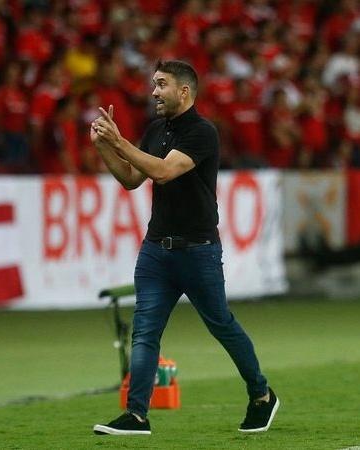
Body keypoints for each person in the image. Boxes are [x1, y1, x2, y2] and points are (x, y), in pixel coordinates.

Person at [90, 60, 280, 436]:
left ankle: (262, 395)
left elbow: (162, 171)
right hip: (157, 250)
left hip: (198, 251)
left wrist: (118, 142)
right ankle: (137, 415)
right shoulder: (156, 130)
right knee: (144, 331)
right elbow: (131, 179)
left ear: (184, 91)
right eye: (153, 84)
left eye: (161, 84)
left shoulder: (202, 132)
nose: (154, 91)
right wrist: (104, 148)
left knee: (221, 325)